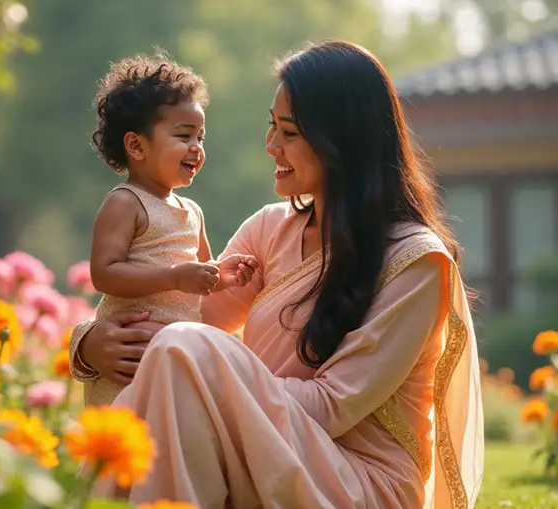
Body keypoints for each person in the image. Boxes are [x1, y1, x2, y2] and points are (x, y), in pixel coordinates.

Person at [69, 40, 484, 508]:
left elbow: (330, 409)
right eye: (272, 126)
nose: (270, 146)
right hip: (260, 447)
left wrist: (223, 385)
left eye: (288, 132)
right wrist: (89, 345)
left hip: (356, 483)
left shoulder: (416, 263)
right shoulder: (270, 228)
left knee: (183, 350)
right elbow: (185, 321)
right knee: (177, 358)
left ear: (340, 141)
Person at [84, 53, 260, 406]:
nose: (196, 148)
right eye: (184, 136)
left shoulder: (191, 211)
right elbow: (104, 274)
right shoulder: (125, 202)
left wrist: (223, 276)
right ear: (136, 145)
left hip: (175, 353)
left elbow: (202, 276)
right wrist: (175, 277)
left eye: (201, 137)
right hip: (128, 356)